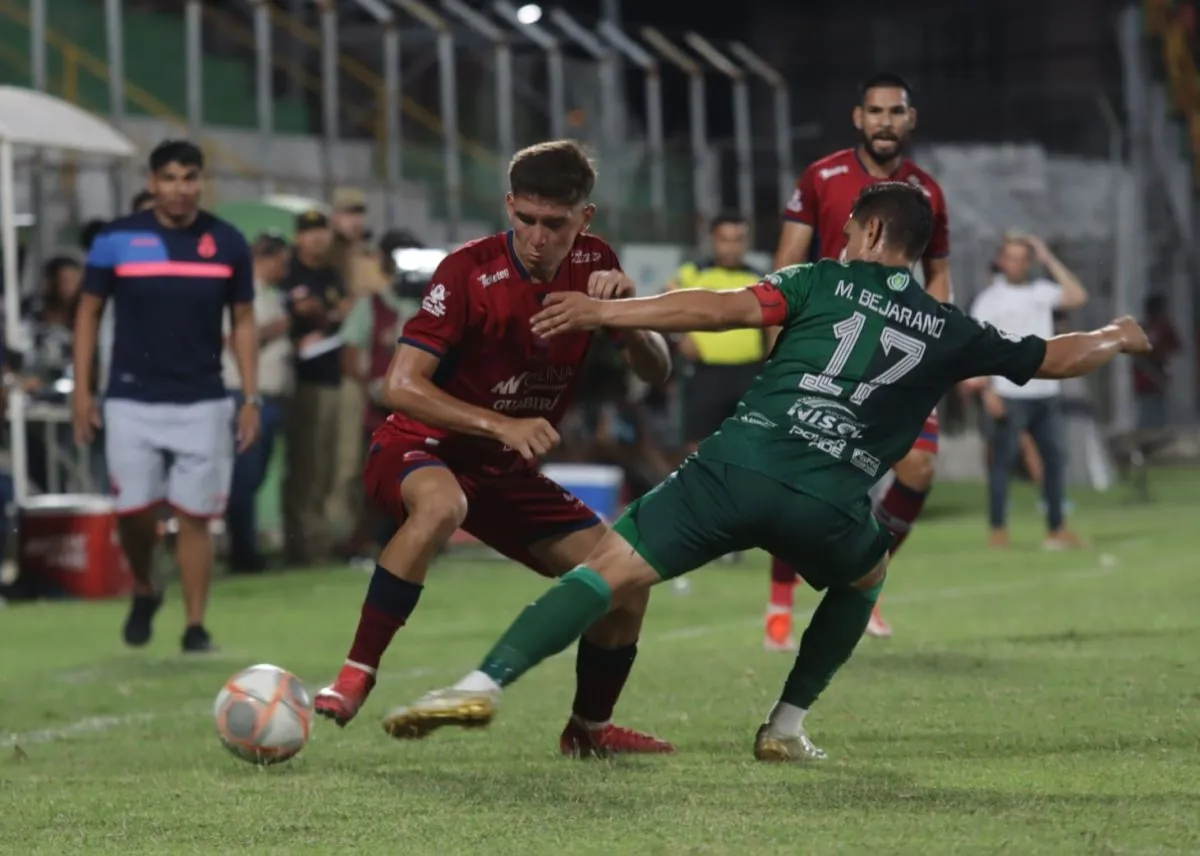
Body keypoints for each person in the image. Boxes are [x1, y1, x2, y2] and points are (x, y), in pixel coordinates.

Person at [379, 182, 1152, 761]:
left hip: (737, 465)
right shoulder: (952, 329)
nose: (841, 240)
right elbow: (1058, 357)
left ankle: (481, 683)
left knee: (608, 570)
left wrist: (607, 312)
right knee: (866, 576)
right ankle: (785, 726)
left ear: (871, 229)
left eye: (848, 230)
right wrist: (1116, 335)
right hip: (830, 498)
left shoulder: (818, 280)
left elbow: (716, 310)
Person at [314, 139, 677, 758]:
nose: (537, 238)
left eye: (554, 224)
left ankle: (588, 730)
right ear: (510, 206)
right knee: (442, 505)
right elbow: (399, 386)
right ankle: (356, 674)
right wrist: (499, 424)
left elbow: (658, 371)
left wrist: (622, 316)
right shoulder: (467, 271)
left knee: (626, 578)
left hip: (501, 473)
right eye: (526, 219)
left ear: (584, 218)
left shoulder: (597, 265)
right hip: (420, 448)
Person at [766, 72, 953, 646]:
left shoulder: (927, 190)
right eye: (875, 111)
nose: (885, 122)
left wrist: (937, 340)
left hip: (897, 351)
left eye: (895, 112)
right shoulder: (821, 177)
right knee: (800, 475)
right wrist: (777, 345)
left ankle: (863, 581)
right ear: (858, 118)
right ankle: (779, 604)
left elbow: (938, 273)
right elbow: (787, 263)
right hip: (829, 344)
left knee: (918, 467)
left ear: (910, 119)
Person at [73, 139, 261, 653]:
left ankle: (195, 627)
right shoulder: (116, 239)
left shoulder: (227, 242)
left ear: (201, 182)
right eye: (170, 178)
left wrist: (250, 397)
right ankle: (146, 584)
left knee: (196, 517)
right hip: (130, 399)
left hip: (203, 398)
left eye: (190, 177)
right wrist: (83, 390)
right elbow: (87, 312)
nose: (181, 189)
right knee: (133, 511)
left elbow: (244, 321)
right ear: (152, 182)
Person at [969, 233, 1087, 549]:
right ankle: (998, 529)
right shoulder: (989, 300)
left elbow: (1077, 296)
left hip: (1045, 392)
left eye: (1023, 259)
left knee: (1054, 461)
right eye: (1011, 257)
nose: (1017, 264)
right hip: (1009, 392)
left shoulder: (1041, 292)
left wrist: (1049, 259)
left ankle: (1057, 527)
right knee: (1002, 464)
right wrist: (988, 391)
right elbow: (979, 348)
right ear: (1001, 261)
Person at [222, 233, 292, 573]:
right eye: (282, 261)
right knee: (243, 477)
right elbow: (233, 340)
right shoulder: (237, 292)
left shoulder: (270, 295)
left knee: (255, 476)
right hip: (245, 396)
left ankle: (246, 549)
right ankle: (243, 554)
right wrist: (280, 327)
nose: (286, 269)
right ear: (266, 259)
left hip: (270, 396)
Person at [281, 209, 345, 565]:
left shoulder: (332, 274)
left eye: (322, 230)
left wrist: (333, 314)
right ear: (298, 237)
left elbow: (341, 314)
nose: (317, 238)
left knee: (326, 466)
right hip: (300, 379)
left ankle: (320, 543)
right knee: (304, 466)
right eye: (309, 231)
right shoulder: (288, 272)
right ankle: (300, 546)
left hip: (332, 375)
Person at [1132, 294, 1182, 430]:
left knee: (1160, 419)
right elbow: (1139, 359)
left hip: (1159, 385)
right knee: (1146, 418)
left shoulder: (1165, 329)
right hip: (1145, 384)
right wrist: (1156, 376)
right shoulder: (1144, 330)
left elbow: (1177, 348)